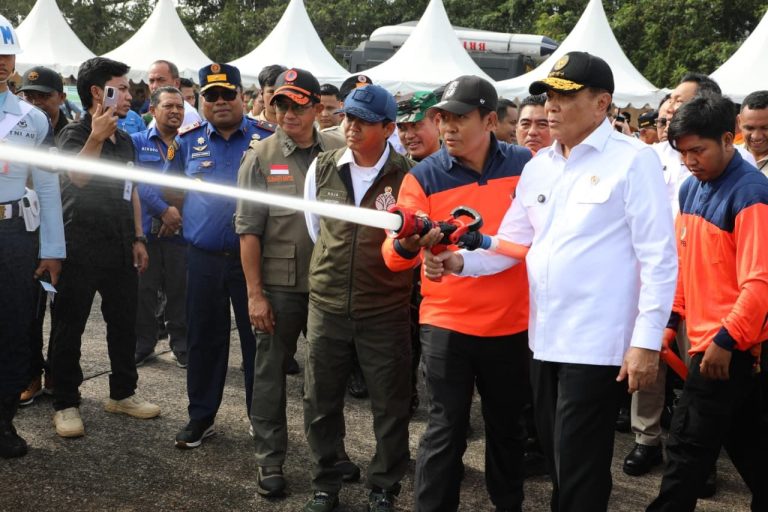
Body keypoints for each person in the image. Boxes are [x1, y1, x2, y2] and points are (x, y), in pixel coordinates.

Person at [425, 53, 677, 512]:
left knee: (579, 467)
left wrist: (646, 342)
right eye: (549, 95)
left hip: (597, 343)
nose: (552, 106)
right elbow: (511, 245)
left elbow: (659, 258)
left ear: (601, 104)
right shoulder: (540, 166)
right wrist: (459, 262)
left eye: (565, 96)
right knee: (557, 458)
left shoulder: (633, 162)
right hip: (543, 339)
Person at [384, 75, 533, 512]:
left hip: (513, 322)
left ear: (489, 120)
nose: (447, 128)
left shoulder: (527, 166)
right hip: (447, 322)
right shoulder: (424, 176)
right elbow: (394, 255)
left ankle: (509, 505)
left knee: (507, 428)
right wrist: (410, 243)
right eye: (442, 118)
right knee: (445, 428)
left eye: (458, 118)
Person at [646, 94, 768, 512]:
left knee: (685, 448)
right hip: (705, 339)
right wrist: (671, 317)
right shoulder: (689, 187)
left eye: (699, 150)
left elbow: (760, 282)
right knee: (749, 441)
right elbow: (686, 262)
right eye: (683, 153)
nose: (690, 161)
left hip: (727, 346)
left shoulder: (753, 194)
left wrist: (727, 339)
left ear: (728, 138)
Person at [302, 84, 415, 512]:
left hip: (384, 307)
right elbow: (316, 228)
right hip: (327, 304)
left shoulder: (408, 176)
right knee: (320, 400)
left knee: (390, 405)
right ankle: (325, 483)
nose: (351, 127)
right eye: (349, 118)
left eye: (364, 122)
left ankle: (384, 486)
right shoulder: (324, 167)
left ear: (388, 128)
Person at [236, 67, 347, 498]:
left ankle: (331, 453)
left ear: (317, 108)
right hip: (279, 287)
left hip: (330, 283)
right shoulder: (260, 156)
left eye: (298, 105)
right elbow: (248, 230)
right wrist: (255, 295)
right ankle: (269, 460)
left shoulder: (340, 149)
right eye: (280, 103)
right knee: (268, 375)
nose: (288, 113)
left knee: (326, 377)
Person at [50, 56, 160, 439]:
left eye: (129, 88)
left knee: (124, 322)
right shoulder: (74, 135)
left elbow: (130, 192)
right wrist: (96, 136)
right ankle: (64, 401)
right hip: (78, 245)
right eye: (122, 87)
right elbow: (77, 178)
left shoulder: (126, 138)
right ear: (99, 92)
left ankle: (122, 393)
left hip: (119, 245)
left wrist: (139, 237)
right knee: (69, 325)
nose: (130, 94)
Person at [165, 63, 274, 449]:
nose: (221, 102)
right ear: (201, 100)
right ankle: (201, 417)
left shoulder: (267, 139)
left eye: (228, 94)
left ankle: (260, 419)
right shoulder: (187, 140)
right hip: (204, 259)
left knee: (257, 343)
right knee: (203, 340)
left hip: (256, 261)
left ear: (243, 96)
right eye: (211, 95)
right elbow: (170, 190)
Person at [0, 14, 65, 458]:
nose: (2, 62)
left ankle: (3, 420)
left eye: (7, 54)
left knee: (14, 328)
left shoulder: (31, 119)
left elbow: (45, 186)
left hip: (13, 234)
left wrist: (53, 249)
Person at [15, 65, 70, 405]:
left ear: (61, 98)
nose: (35, 102)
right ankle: (31, 374)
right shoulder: (19, 128)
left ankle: (59, 377)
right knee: (31, 313)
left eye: (43, 96)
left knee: (67, 314)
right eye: (28, 95)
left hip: (72, 234)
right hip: (31, 234)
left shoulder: (77, 132)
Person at [131, 86, 188, 367]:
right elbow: (137, 183)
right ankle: (144, 344)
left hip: (180, 230)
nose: (176, 111)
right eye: (169, 106)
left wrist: (174, 216)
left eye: (180, 106)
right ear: (153, 110)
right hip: (146, 231)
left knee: (180, 289)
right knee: (144, 291)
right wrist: (164, 210)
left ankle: (181, 344)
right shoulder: (136, 141)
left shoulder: (192, 141)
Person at [146, 60, 201, 128]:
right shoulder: (157, 110)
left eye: (161, 80)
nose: (154, 86)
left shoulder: (188, 114)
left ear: (176, 83)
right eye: (151, 81)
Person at [395, 90, 440, 160]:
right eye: (402, 127)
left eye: (415, 125)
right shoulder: (394, 169)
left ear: (437, 122)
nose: (409, 136)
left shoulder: (460, 166)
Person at [738, 90, 768, 173]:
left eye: (765, 128)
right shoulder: (728, 157)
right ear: (739, 121)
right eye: (749, 128)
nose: (756, 136)